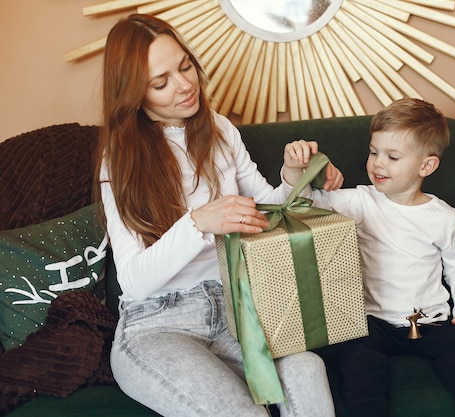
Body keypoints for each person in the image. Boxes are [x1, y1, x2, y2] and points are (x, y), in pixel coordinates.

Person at [94, 14, 342, 417]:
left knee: (307, 369)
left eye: (185, 66)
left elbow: (267, 214)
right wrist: (198, 223)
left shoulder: (220, 129)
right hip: (158, 324)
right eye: (161, 83)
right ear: (134, 95)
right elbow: (135, 281)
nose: (185, 85)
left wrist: (296, 175)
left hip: (235, 309)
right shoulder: (118, 162)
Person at [306, 98, 455, 417]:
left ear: (427, 166)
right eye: (374, 152)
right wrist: (309, 170)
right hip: (373, 322)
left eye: (392, 156)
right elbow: (307, 203)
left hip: (432, 321)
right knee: (358, 363)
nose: (378, 164)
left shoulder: (443, 216)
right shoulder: (359, 200)